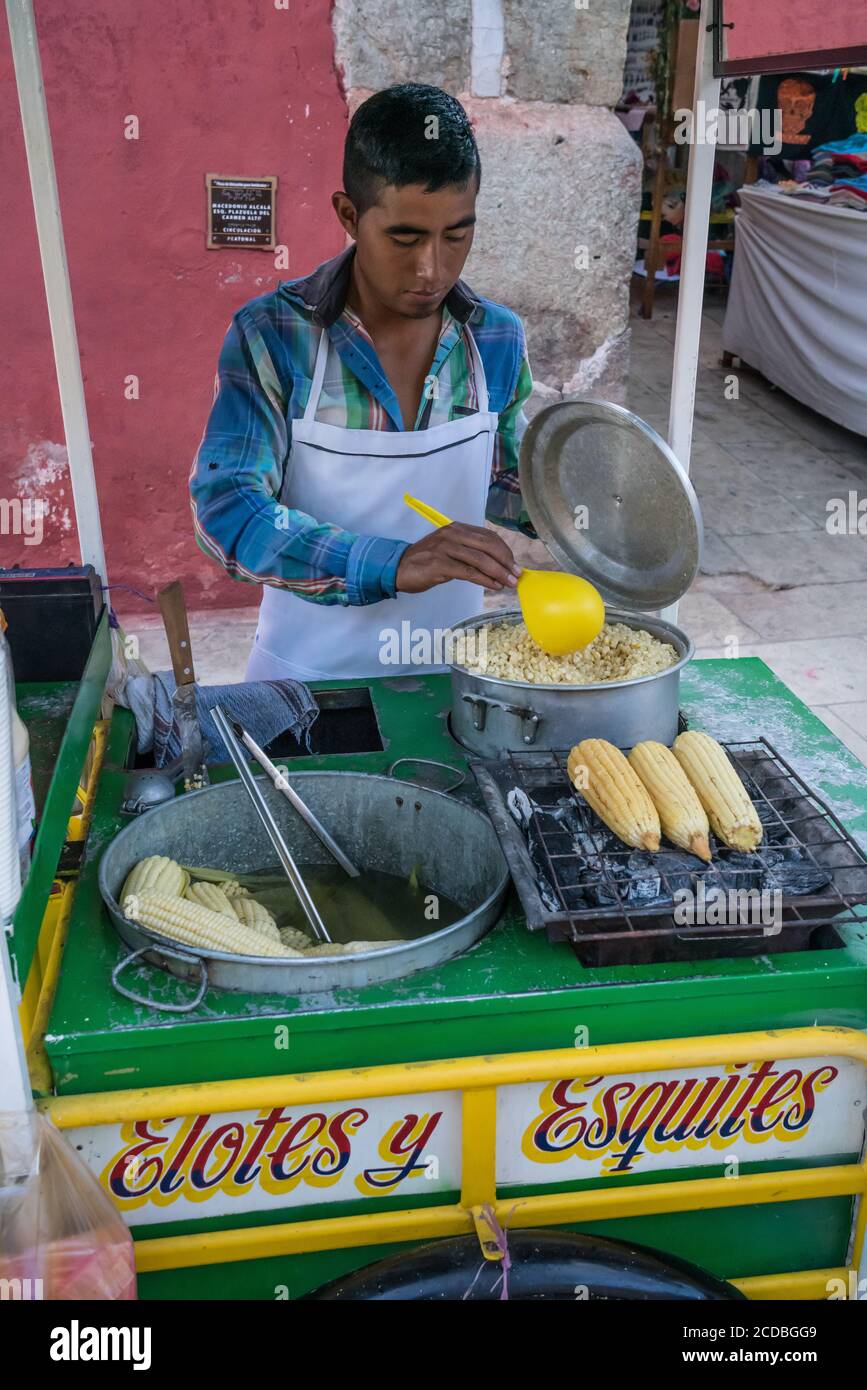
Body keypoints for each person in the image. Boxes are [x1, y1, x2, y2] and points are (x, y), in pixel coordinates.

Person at [190, 83, 535, 680]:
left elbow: (505, 481)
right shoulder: (274, 335)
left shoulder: (494, 339)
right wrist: (389, 563)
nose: (432, 269)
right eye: (405, 237)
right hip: (304, 691)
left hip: (451, 686)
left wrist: (587, 509)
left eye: (456, 235)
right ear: (349, 215)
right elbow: (229, 509)